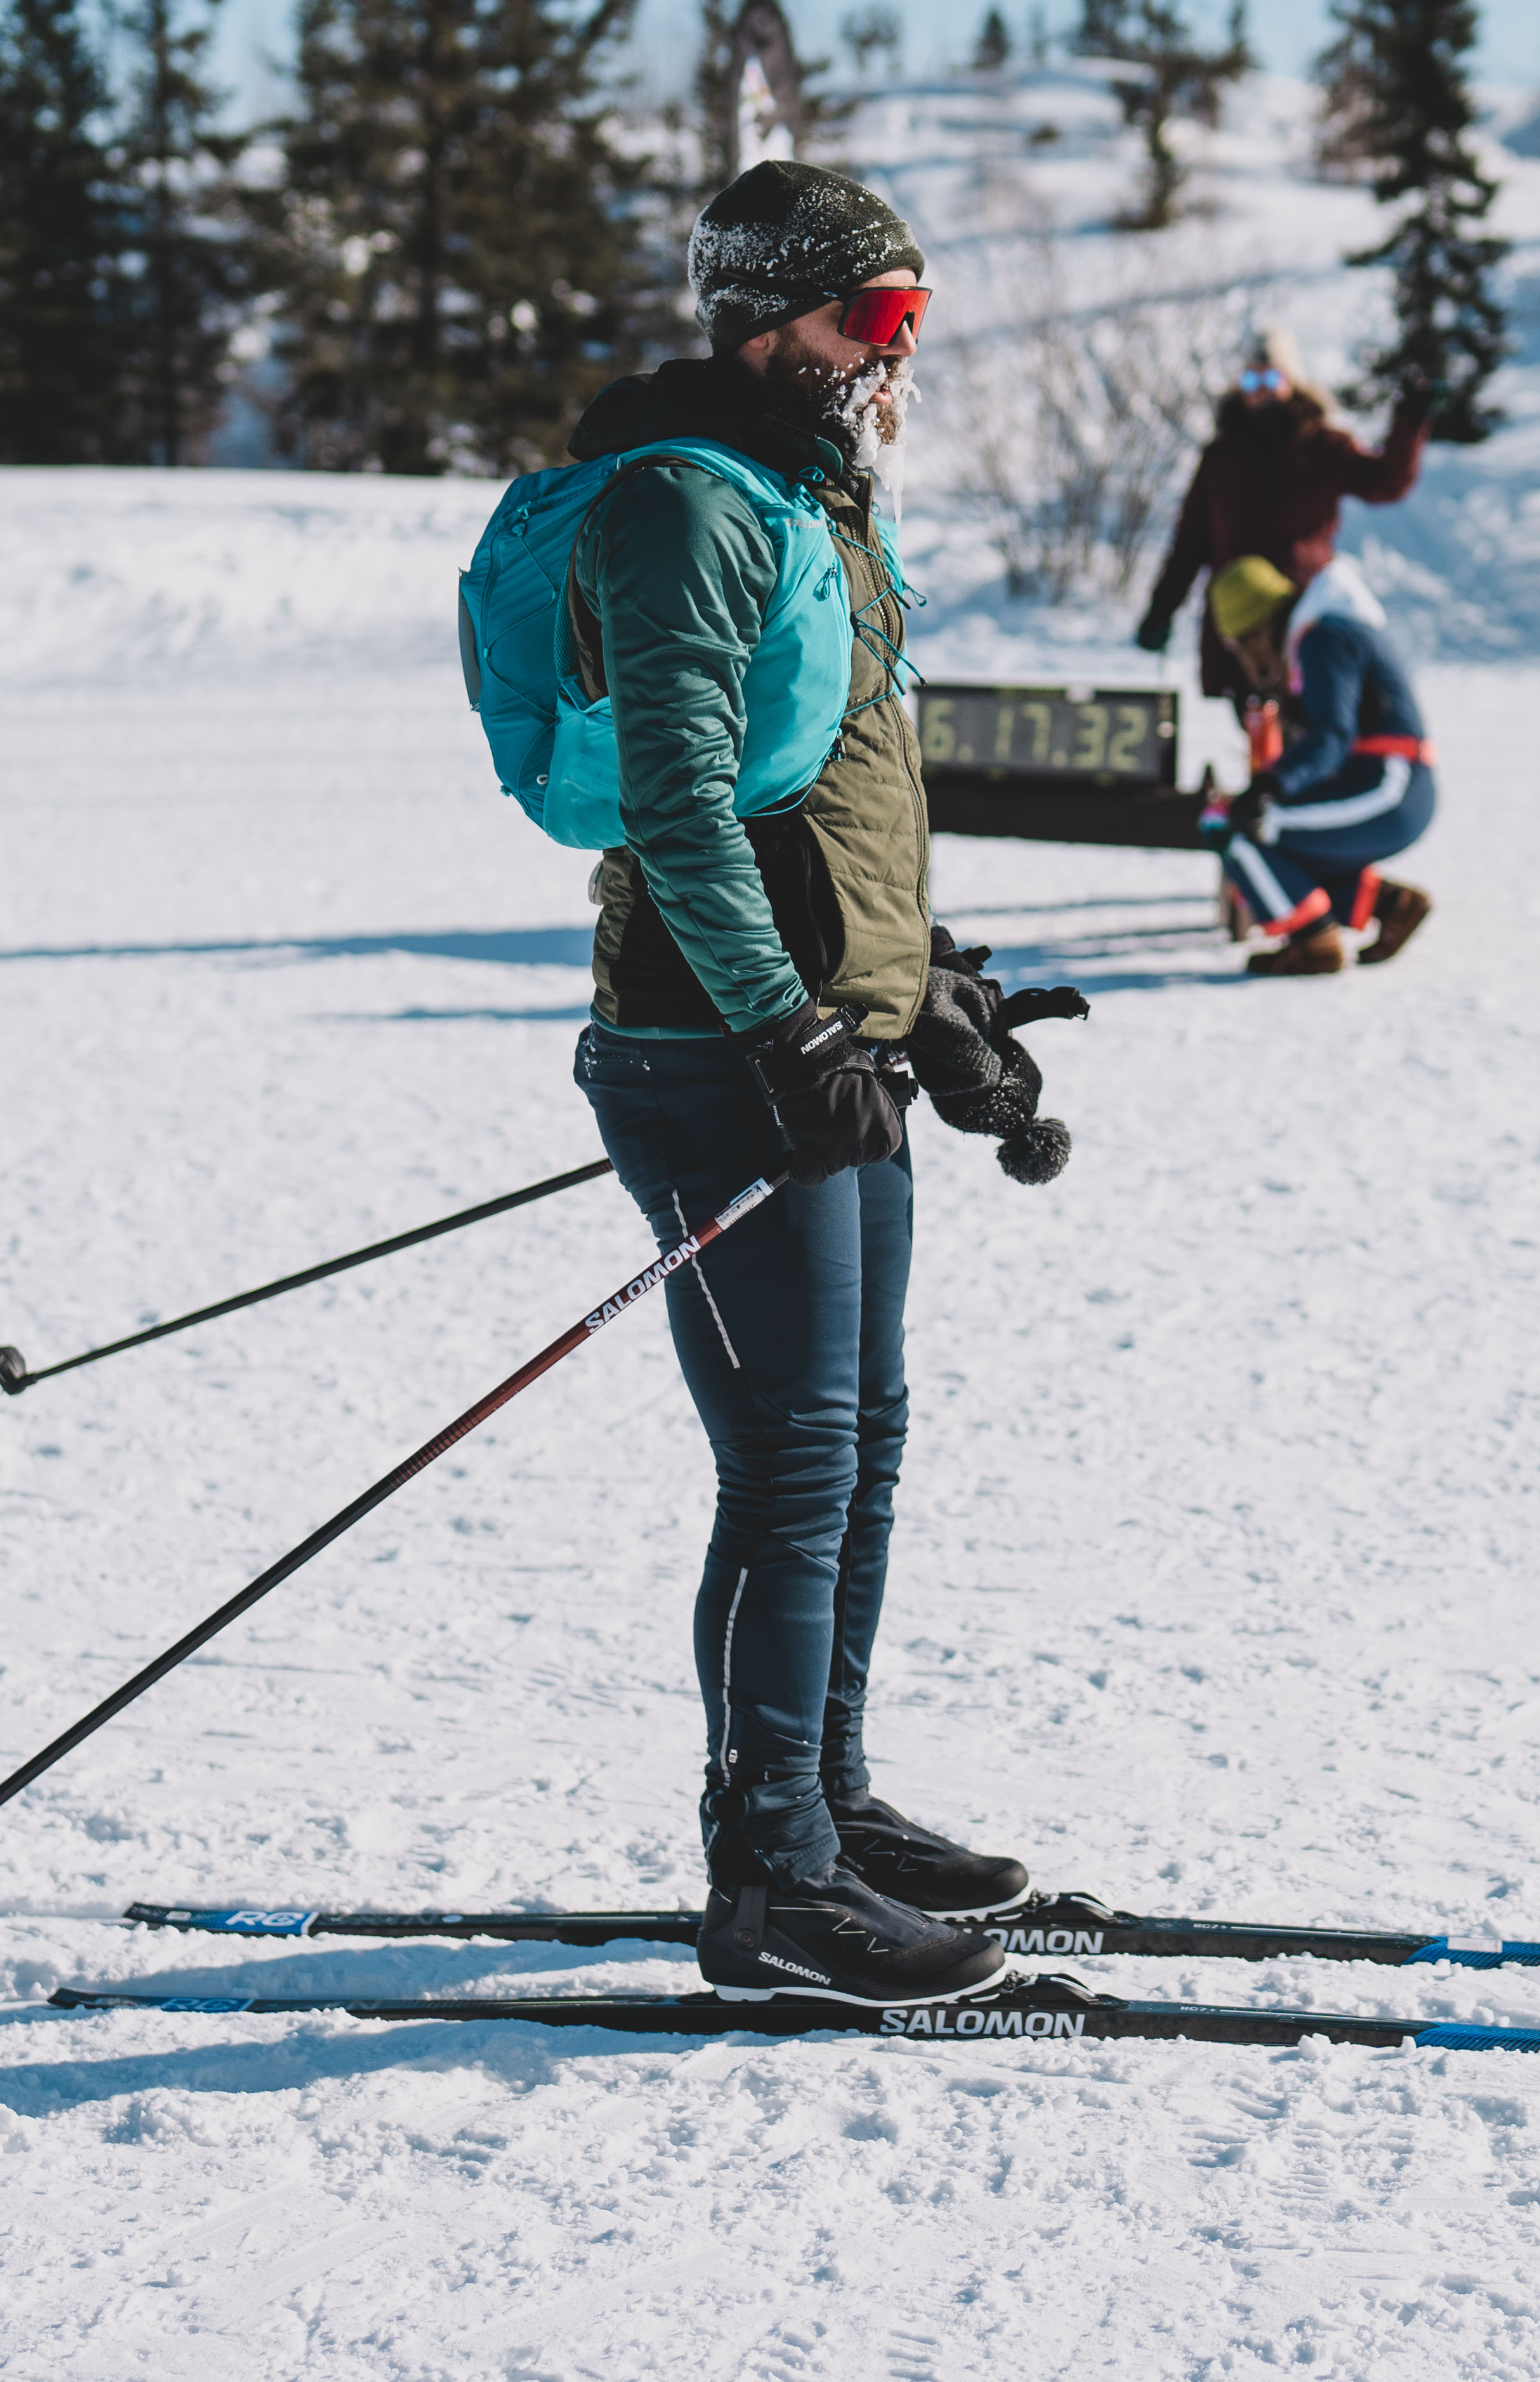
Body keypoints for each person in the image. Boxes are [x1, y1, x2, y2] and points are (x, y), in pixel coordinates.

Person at [561, 158, 1082, 2006]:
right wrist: (784, 1025)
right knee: (789, 1460)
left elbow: (834, 800)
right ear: (768, 319)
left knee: (857, 1438)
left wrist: (924, 993)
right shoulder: (681, 504)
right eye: (875, 318)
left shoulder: (807, 499)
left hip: (817, 1040)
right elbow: (679, 805)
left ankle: (827, 1803)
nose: (897, 355)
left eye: (913, 320)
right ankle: (772, 1874)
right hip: (712, 1050)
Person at [1133, 329, 1433, 744]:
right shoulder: (1222, 456)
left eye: (1271, 378)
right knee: (1261, 736)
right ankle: (1266, 784)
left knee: (1316, 730)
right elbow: (1191, 542)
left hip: (1304, 619)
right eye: (1251, 379)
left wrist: (1411, 420)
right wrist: (1162, 610)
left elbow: (1387, 483)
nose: (1260, 390)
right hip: (1242, 626)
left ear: (1292, 381)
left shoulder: (1323, 446)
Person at [1206, 551, 1437, 978]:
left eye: (1241, 647)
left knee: (1231, 826)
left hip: (1389, 788)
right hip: (1392, 786)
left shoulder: (1324, 637)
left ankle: (1314, 945)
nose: (1247, 662)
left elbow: (1331, 737)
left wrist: (1270, 787)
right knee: (1273, 835)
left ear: (1259, 631)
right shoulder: (1324, 632)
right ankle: (1390, 905)